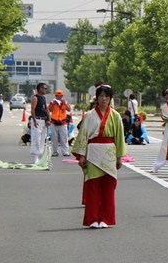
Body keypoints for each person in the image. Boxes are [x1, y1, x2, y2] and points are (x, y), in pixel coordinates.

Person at [71, 84, 126, 228]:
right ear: (97, 98)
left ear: (110, 98)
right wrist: (82, 155)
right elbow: (83, 135)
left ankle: (106, 218)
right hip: (93, 151)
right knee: (93, 187)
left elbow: (120, 137)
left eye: (106, 96)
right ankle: (93, 218)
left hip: (109, 152)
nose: (104, 99)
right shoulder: (89, 115)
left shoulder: (116, 116)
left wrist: (119, 157)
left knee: (108, 187)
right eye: (101, 96)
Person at [29, 83, 50, 164]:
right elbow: (32, 109)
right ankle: (35, 157)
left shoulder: (43, 98)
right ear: (40, 89)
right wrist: (34, 120)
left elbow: (46, 109)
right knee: (36, 138)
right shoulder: (35, 98)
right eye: (44, 88)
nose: (46, 90)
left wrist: (49, 119)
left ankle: (40, 155)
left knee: (42, 139)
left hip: (44, 121)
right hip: (37, 120)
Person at [48, 90, 72, 157]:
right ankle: (55, 152)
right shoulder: (52, 102)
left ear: (62, 96)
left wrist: (64, 103)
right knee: (54, 138)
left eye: (60, 96)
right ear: (55, 96)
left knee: (64, 138)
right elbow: (49, 110)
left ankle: (65, 152)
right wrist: (53, 104)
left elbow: (69, 109)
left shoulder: (65, 102)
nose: (59, 97)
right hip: (54, 122)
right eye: (57, 96)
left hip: (63, 122)